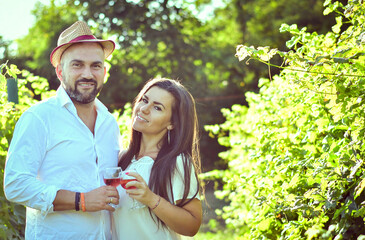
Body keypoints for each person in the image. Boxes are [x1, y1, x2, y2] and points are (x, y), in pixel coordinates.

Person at [4, 21, 121, 239]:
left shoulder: (109, 123)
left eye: (95, 66)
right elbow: (15, 184)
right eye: (77, 65)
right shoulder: (38, 117)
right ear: (60, 71)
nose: (87, 73)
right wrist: (81, 201)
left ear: (103, 71)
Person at [113, 78, 203, 240]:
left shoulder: (177, 162)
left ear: (172, 123)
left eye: (157, 108)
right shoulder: (120, 159)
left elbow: (192, 226)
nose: (144, 109)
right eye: (144, 100)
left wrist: (150, 198)